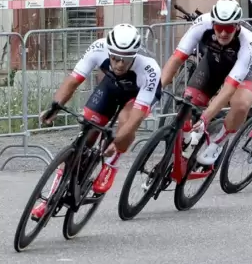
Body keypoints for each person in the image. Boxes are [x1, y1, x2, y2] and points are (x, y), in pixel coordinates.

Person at [31, 23, 162, 219]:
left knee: (125, 122)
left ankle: (111, 162)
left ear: (134, 56)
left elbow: (135, 119)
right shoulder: (99, 47)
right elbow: (74, 80)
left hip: (136, 96)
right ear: (109, 51)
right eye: (115, 58)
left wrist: (116, 144)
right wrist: (55, 107)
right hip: (112, 86)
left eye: (125, 60)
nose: (118, 64)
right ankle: (49, 199)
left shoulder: (149, 69)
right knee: (88, 126)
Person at [160, 0, 252, 166]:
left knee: (241, 104)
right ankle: (186, 139)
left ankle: (219, 143)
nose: (223, 33)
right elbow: (176, 59)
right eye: (219, 27)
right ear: (213, 23)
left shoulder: (248, 40)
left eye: (228, 28)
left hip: (247, 68)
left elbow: (229, 88)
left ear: (237, 26)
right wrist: (155, 91)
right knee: (188, 100)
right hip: (215, 61)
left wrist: (205, 118)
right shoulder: (202, 23)